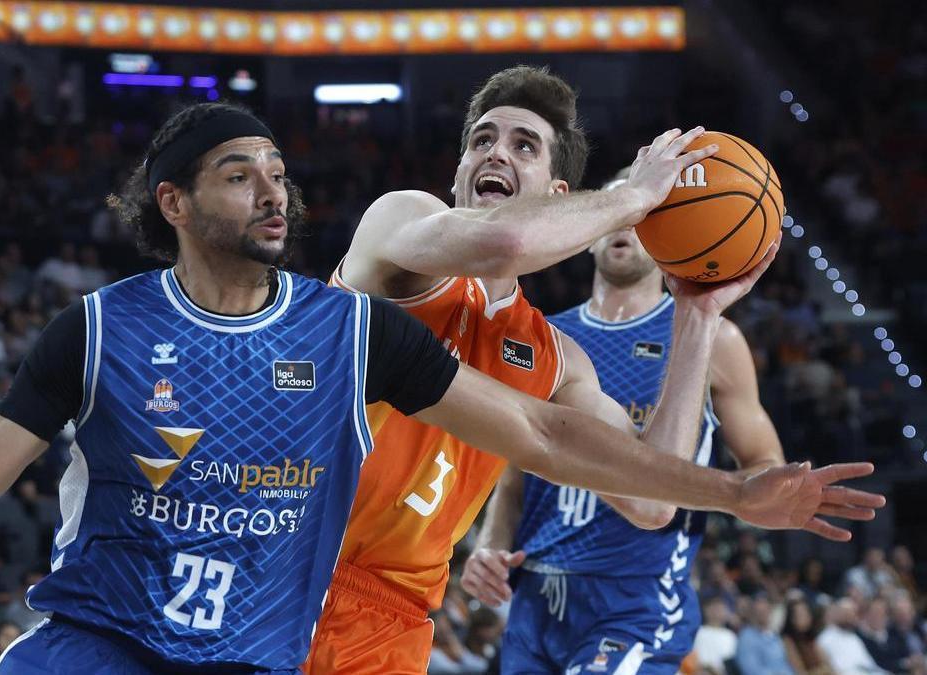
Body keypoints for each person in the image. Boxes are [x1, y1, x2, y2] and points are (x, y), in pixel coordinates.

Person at [0, 103, 880, 674]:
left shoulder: (416, 341)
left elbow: (577, 452)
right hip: (192, 617)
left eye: (277, 169)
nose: (272, 186)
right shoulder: (396, 238)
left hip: (346, 627)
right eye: (240, 171)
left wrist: (724, 452)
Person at [306, 65, 814, 673]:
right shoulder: (399, 225)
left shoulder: (553, 357)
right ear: (460, 174)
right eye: (482, 141)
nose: (496, 152)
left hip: (396, 615)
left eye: (525, 146)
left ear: (558, 195)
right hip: (291, 563)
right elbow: (507, 243)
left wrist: (696, 317)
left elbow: (647, 502)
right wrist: (632, 198)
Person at [464, 169, 796, 672]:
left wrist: (735, 493)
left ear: (664, 228)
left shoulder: (714, 339)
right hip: (535, 595)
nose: (624, 224)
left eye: (639, 212)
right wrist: (490, 543)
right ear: (592, 231)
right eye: (613, 209)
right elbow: (515, 468)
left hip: (636, 595)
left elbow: (764, 462)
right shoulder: (546, 335)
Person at [736, 593, 794, 675]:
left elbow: (786, 665)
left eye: (766, 610)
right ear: (752, 614)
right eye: (759, 612)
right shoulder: (746, 638)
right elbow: (752, 670)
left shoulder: (774, 635)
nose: (763, 614)